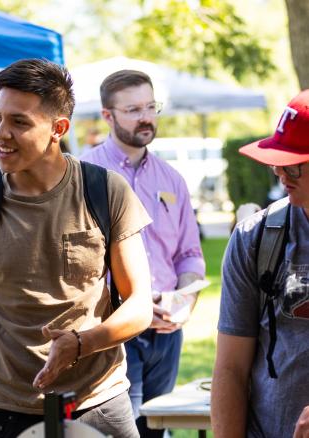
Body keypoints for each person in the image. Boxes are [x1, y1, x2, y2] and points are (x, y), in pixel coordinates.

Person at [0, 59, 154, 438]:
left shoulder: (106, 191)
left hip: (99, 404)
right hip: (3, 411)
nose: (0, 134)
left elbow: (140, 306)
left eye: (19, 122)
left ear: (58, 129)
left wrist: (80, 344)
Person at [80, 70, 205, 437]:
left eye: (151, 106)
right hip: (112, 329)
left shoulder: (172, 179)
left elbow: (189, 254)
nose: (146, 117)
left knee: (157, 428)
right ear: (108, 115)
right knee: (121, 429)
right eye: (133, 109)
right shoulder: (83, 176)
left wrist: (186, 300)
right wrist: (131, 305)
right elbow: (75, 263)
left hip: (167, 332)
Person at [212, 89, 309, 438]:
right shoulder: (255, 237)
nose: (282, 175)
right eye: (277, 162)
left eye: (294, 164)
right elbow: (230, 367)